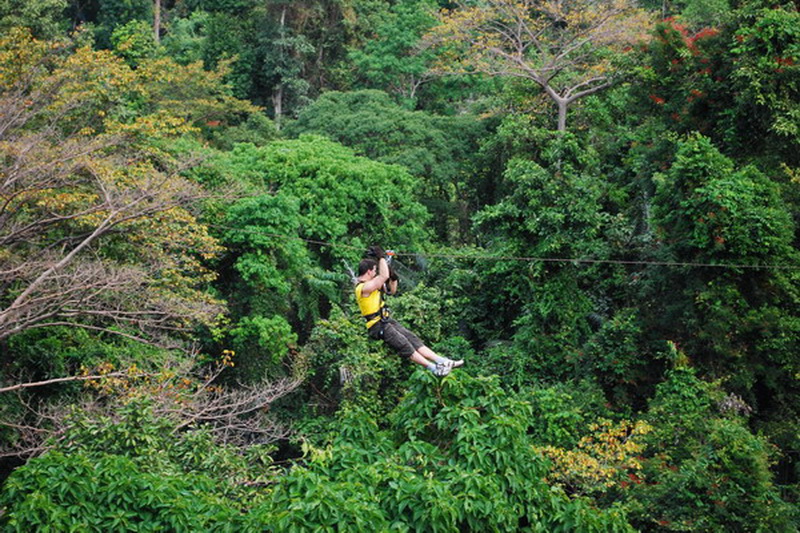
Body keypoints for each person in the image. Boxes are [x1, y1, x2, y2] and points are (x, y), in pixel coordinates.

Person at [354, 246, 463, 376]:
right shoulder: (363, 287)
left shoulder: (373, 285)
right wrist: (381, 257)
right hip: (377, 325)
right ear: (369, 272)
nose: (376, 273)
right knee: (404, 345)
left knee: (412, 339)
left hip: (385, 320)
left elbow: (391, 290)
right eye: (374, 270)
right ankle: (434, 368)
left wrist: (393, 277)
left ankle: (442, 361)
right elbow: (383, 276)